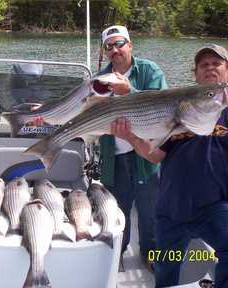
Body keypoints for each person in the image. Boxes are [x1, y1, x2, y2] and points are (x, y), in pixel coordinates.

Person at [110, 43, 228, 287]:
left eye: (216, 63)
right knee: (165, 266)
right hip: (171, 209)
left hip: (216, 206)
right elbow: (154, 156)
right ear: (195, 74)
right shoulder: (179, 109)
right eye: (203, 65)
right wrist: (131, 137)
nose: (210, 68)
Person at [96, 25, 168, 271]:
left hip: (146, 156)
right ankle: (116, 253)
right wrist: (48, 113)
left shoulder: (150, 71)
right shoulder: (99, 81)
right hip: (113, 158)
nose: (115, 50)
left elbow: (162, 108)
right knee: (117, 211)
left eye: (119, 44)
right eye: (109, 46)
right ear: (105, 52)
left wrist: (130, 92)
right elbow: (82, 110)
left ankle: (150, 254)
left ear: (130, 45)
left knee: (150, 211)